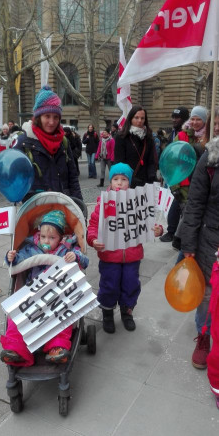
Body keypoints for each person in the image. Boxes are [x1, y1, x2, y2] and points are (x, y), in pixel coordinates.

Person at [0, 210, 89, 366]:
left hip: (57, 294)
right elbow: (18, 260)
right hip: (33, 294)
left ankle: (57, 347)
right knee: (16, 314)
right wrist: (11, 257)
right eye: (43, 237)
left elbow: (84, 261)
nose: (46, 241)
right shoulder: (31, 249)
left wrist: (75, 257)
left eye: (52, 238)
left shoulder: (66, 249)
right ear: (38, 235)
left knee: (65, 315)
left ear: (61, 237)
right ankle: (16, 348)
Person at [87, 162, 162, 334]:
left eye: (123, 179)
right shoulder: (103, 204)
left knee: (130, 283)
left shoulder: (136, 202)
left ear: (129, 182)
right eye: (115, 179)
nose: (119, 183)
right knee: (109, 284)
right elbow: (93, 225)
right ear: (110, 182)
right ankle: (107, 313)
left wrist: (158, 229)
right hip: (109, 256)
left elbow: (148, 221)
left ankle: (126, 312)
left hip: (132, 256)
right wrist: (93, 239)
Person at [180, 136, 219, 381]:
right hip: (210, 239)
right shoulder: (211, 157)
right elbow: (194, 203)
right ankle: (204, 335)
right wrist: (189, 244)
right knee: (206, 293)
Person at [13, 85, 82, 201]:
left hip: (64, 206)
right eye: (47, 116)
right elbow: (17, 179)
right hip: (36, 209)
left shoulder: (63, 141)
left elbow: (73, 178)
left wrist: (79, 206)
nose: (52, 122)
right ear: (38, 117)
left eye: (56, 117)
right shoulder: (23, 142)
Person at [169, 105, 208, 251]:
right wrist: (174, 186)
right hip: (184, 183)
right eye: (193, 118)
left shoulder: (208, 137)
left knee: (191, 214)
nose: (195, 122)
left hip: (201, 183)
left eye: (199, 119)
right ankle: (182, 242)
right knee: (188, 213)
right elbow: (172, 161)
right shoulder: (182, 136)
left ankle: (179, 240)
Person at [160, 106, 189, 244]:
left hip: (181, 174)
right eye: (173, 117)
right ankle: (173, 231)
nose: (174, 120)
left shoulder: (186, 134)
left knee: (177, 203)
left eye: (177, 117)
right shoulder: (172, 133)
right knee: (174, 202)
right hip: (172, 173)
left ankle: (173, 232)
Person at [114, 105, 157, 188]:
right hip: (128, 183)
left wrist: (152, 176)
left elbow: (151, 161)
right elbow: (119, 162)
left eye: (142, 118)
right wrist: (130, 179)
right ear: (131, 118)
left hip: (146, 183)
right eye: (136, 118)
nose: (139, 121)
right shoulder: (121, 137)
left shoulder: (149, 137)